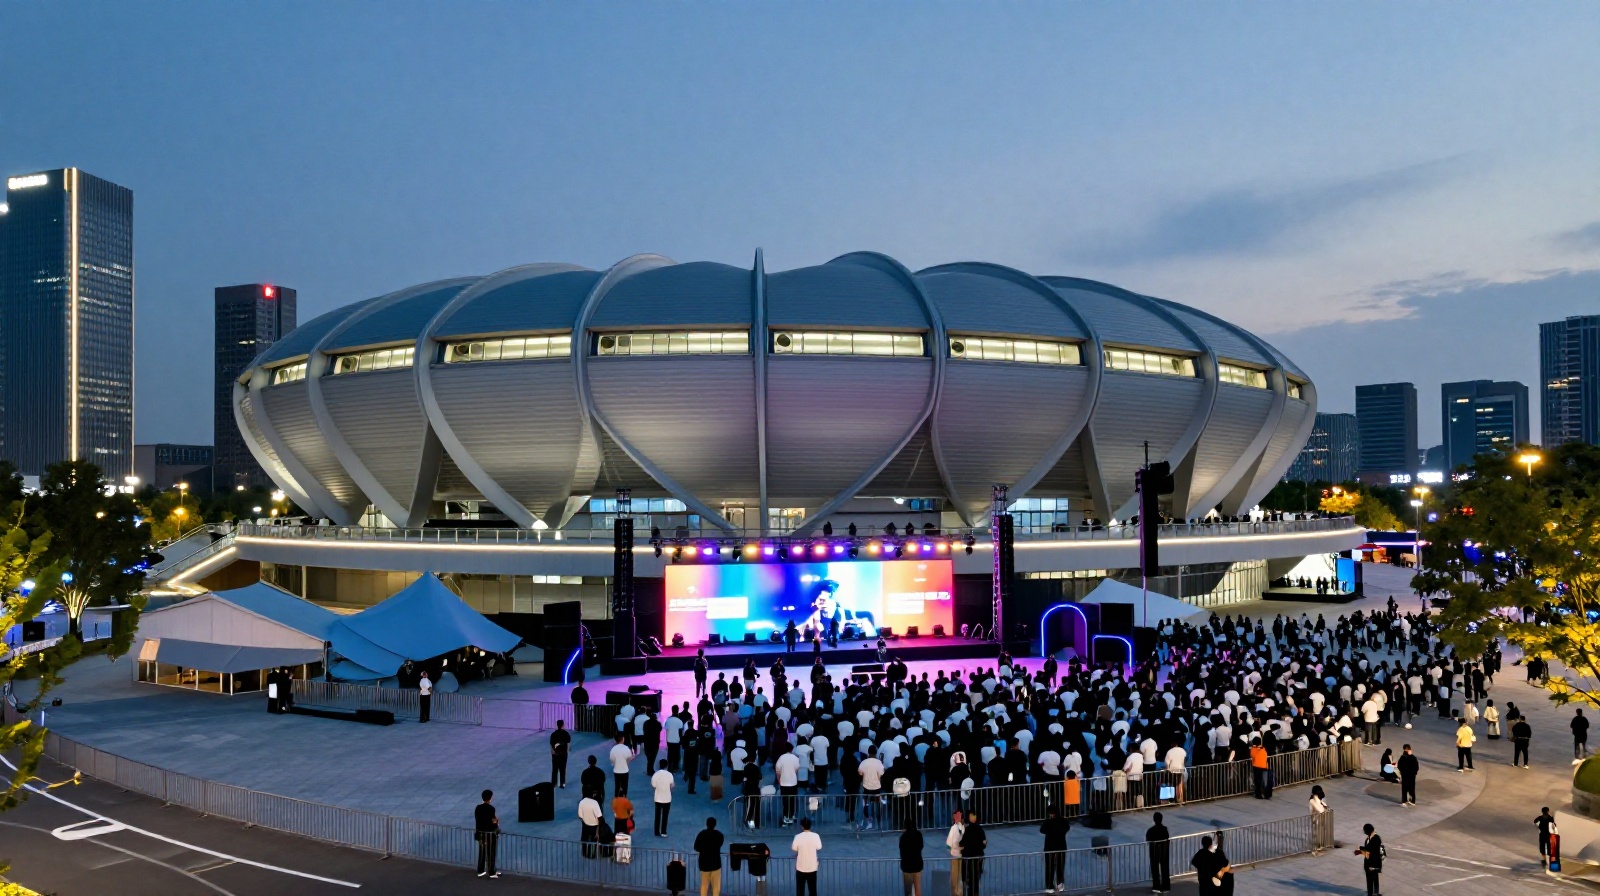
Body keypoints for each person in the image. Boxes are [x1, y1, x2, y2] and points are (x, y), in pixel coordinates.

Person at [1040, 806, 1069, 893]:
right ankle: (1060, 884)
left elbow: (1042, 830)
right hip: (1061, 846)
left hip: (1050, 847)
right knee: (1060, 866)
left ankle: (1049, 886)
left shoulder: (1048, 822)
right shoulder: (1063, 821)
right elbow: (1067, 828)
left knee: (1050, 866)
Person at [791, 817, 822, 896]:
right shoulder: (816, 836)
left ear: (802, 826)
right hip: (812, 868)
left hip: (800, 868)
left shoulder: (797, 837)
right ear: (810, 826)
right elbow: (819, 847)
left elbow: (794, 848)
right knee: (812, 890)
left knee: (800, 891)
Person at [694, 817, 725, 896]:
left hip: (704, 865)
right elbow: (720, 844)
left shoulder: (701, 834)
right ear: (715, 825)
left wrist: (704, 849)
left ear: (706, 824)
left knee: (704, 886)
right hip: (716, 865)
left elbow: (696, 847)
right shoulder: (719, 835)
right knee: (716, 888)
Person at [474, 789, 500, 879]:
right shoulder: (491, 809)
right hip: (489, 835)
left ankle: (480, 870)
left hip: (480, 834)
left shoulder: (478, 807)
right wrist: (496, 821)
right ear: (490, 798)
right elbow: (493, 822)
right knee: (491, 853)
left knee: (482, 852)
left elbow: (477, 819)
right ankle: (492, 872)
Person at [959, 810, 986, 896]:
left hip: (968, 858)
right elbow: (984, 843)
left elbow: (961, 844)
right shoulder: (979, 829)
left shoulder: (965, 830)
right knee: (975, 880)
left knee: (968, 879)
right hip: (977, 857)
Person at [1146, 811, 1171, 894]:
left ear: (1154, 819)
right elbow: (1167, 838)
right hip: (1164, 852)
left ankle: (1156, 886)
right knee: (1165, 869)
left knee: (1155, 870)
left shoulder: (1150, 830)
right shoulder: (1165, 829)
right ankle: (1166, 886)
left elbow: (1148, 840)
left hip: (1154, 852)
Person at [899, 817, 925, 896]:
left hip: (907, 867)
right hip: (917, 866)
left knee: (908, 891)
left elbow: (901, 851)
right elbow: (921, 846)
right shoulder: (918, 835)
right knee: (918, 889)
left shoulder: (903, 837)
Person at [1355, 823, 1383, 896]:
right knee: (1374, 878)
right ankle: (1375, 892)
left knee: (1370, 879)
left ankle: (1371, 894)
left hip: (1372, 863)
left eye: (1364, 830)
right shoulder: (1373, 837)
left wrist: (1360, 851)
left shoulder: (1374, 839)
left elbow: (1370, 851)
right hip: (1374, 862)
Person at [652, 759, 675, 837]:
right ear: (667, 765)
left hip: (658, 797)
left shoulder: (655, 774)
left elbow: (654, 785)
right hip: (667, 798)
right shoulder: (669, 774)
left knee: (657, 814)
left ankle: (656, 831)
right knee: (665, 815)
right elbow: (672, 786)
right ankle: (663, 831)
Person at [578, 793, 604, 859]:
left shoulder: (581, 802)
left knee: (584, 839)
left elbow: (580, 816)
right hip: (594, 825)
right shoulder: (594, 803)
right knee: (594, 840)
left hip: (585, 824)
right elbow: (599, 816)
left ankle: (584, 853)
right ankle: (592, 854)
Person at [945, 809, 965, 896]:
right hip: (962, 854)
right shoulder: (963, 828)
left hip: (954, 855)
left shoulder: (953, 828)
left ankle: (954, 893)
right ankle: (960, 892)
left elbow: (948, 843)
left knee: (954, 876)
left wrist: (950, 850)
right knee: (960, 875)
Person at [550, 720, 571, 788]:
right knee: (562, 769)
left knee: (554, 769)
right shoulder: (566, 734)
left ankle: (554, 784)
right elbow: (568, 744)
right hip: (563, 754)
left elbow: (551, 745)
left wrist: (553, 754)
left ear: (557, 725)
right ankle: (562, 784)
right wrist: (566, 752)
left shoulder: (553, 734)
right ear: (562, 725)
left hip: (555, 754)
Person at [1309, 786, 1331, 851]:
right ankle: (1319, 845)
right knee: (1319, 832)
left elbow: (1325, 807)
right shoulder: (1312, 800)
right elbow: (1320, 809)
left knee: (1321, 831)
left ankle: (1321, 845)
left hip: (1320, 817)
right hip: (1317, 818)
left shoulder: (1319, 799)